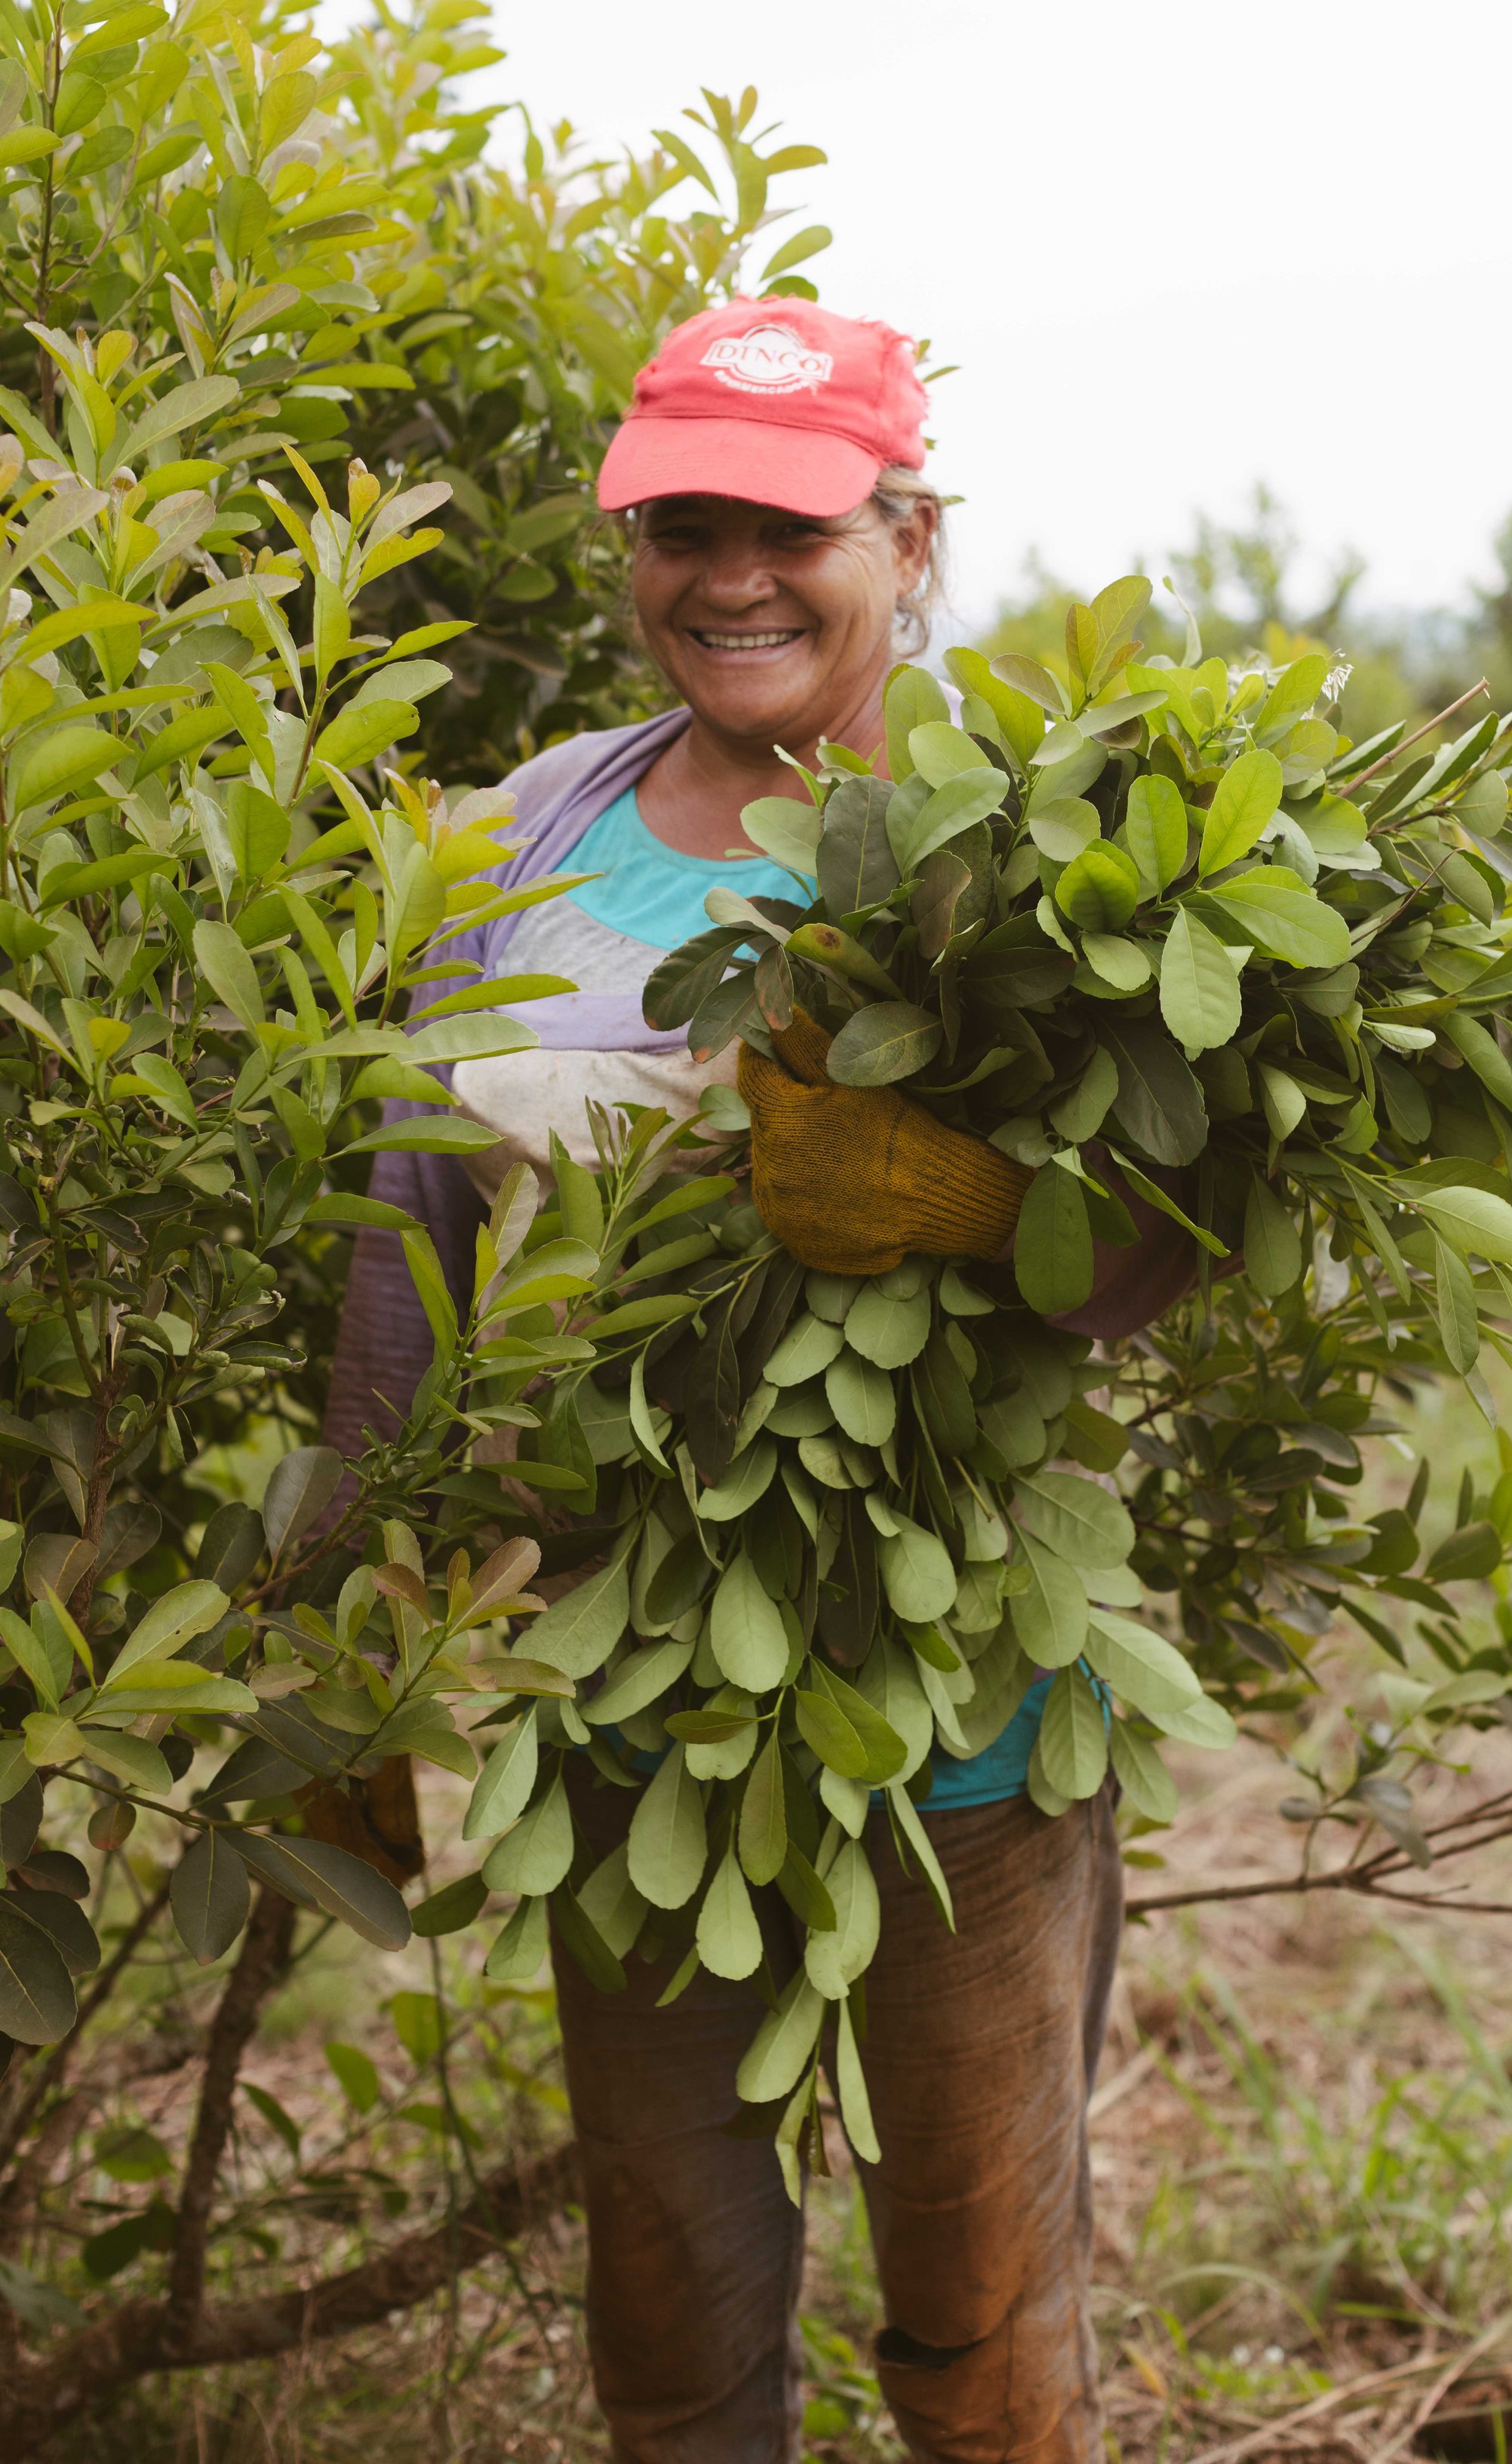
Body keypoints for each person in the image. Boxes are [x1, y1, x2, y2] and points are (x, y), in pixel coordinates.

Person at [323, 298, 1193, 2462]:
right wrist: (342, 1602)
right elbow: (409, 1222)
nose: (729, 574)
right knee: (671, 2297)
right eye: (679, 522)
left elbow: (1189, 1235)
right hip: (632, 1704)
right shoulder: (528, 830)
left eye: (788, 525)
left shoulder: (1030, 832)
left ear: (908, 535)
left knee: (982, 2314)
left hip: (962, 1718)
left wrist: (989, 1210)